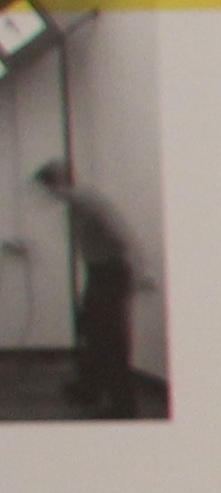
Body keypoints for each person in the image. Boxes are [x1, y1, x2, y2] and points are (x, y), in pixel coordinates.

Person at [30, 159, 157, 420]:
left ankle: (124, 408)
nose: (48, 196)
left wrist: (141, 273)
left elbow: (124, 238)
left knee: (112, 342)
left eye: (48, 189)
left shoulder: (90, 203)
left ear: (58, 183)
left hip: (114, 274)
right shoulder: (77, 204)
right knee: (91, 329)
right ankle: (90, 388)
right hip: (99, 273)